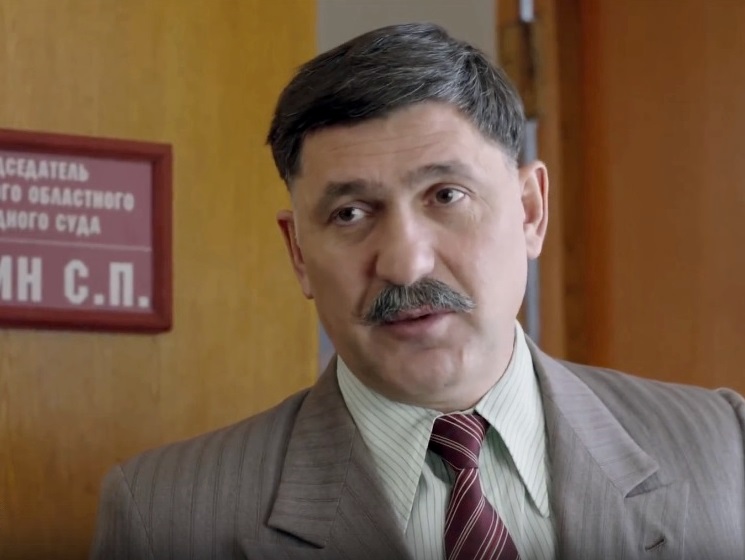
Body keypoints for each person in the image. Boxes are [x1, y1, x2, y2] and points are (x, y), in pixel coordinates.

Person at [90, 23, 745, 560]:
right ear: (298, 254)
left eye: (446, 196)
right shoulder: (163, 515)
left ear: (529, 210)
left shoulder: (725, 447)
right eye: (350, 213)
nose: (405, 264)